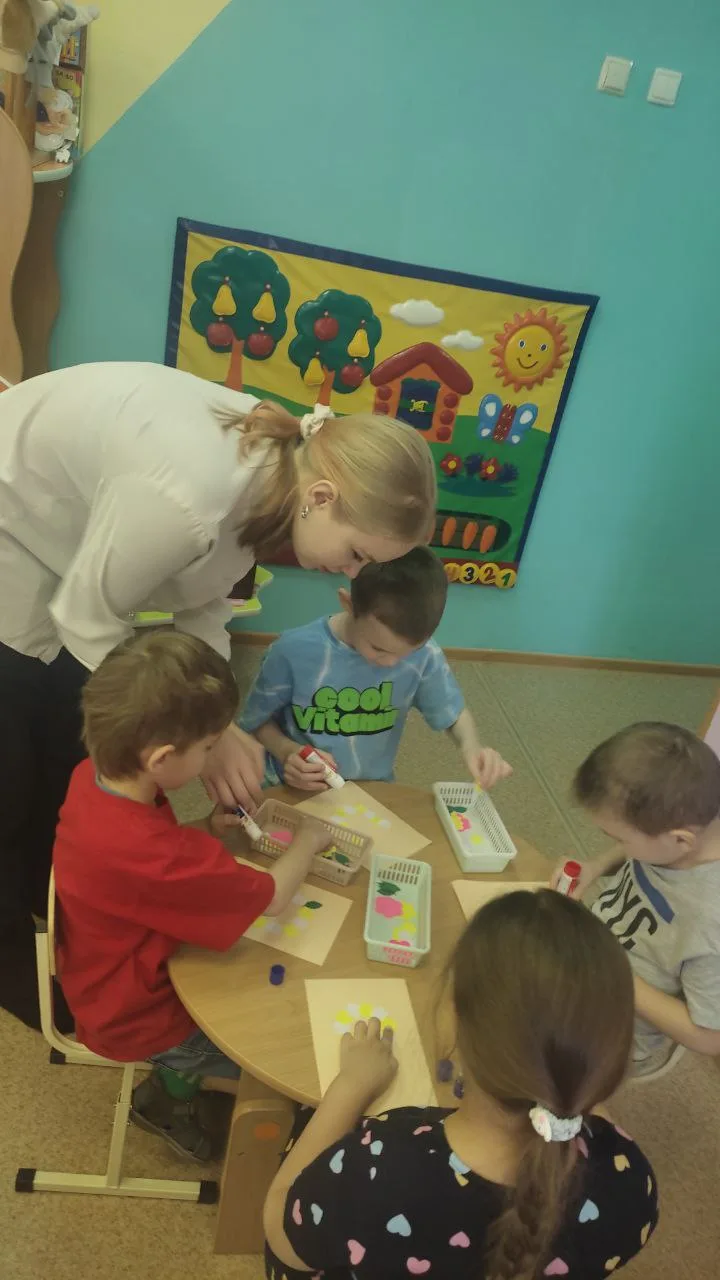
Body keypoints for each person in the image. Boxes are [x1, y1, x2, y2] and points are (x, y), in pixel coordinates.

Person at [0, 362, 435, 1026]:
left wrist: (222, 721)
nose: (351, 574)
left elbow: (203, 604)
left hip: (54, 539)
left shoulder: (276, 477)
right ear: (322, 496)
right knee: (13, 764)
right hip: (13, 525)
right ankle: (25, 978)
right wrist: (203, 727)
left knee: (65, 748)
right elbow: (88, 620)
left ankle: (61, 904)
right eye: (356, 554)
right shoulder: (188, 498)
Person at [263, 890, 658, 1279]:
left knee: (308, 1117)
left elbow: (283, 1237)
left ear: (455, 1024)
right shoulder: (632, 1183)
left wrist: (350, 1086)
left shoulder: (382, 1163)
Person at [53, 630, 331, 1161]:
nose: (210, 760)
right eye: (207, 749)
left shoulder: (92, 775)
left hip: (99, 975)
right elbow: (273, 896)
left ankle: (172, 1087)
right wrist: (310, 840)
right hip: (141, 1017)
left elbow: (145, 868)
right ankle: (173, 1085)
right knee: (289, 1070)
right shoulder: (156, 857)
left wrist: (205, 827)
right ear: (161, 758)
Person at [240, 546, 512, 790]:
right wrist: (287, 751)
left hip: (370, 792)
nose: (392, 663)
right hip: (292, 788)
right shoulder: (292, 652)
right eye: (379, 648)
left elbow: (453, 713)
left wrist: (471, 747)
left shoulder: (424, 656)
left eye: (408, 652)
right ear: (348, 604)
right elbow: (255, 722)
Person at [561, 721, 720, 1078]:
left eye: (618, 838)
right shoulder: (686, 831)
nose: (617, 844)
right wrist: (596, 866)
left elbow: (709, 1037)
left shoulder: (711, 923)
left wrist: (612, 971)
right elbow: (641, 845)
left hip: (613, 1033)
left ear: (680, 840)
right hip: (591, 959)